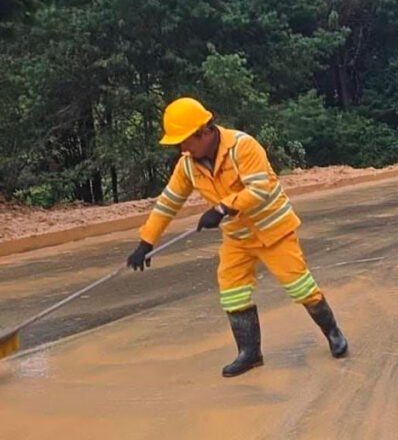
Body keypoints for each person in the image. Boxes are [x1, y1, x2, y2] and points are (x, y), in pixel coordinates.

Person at [128, 98, 348, 377]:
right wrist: (146, 242)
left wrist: (222, 208)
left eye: (185, 141)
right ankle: (250, 353)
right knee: (232, 291)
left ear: (204, 132)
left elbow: (261, 189)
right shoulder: (188, 165)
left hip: (274, 232)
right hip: (238, 239)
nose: (181, 148)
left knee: (300, 287)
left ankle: (333, 332)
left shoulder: (242, 146)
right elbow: (168, 202)